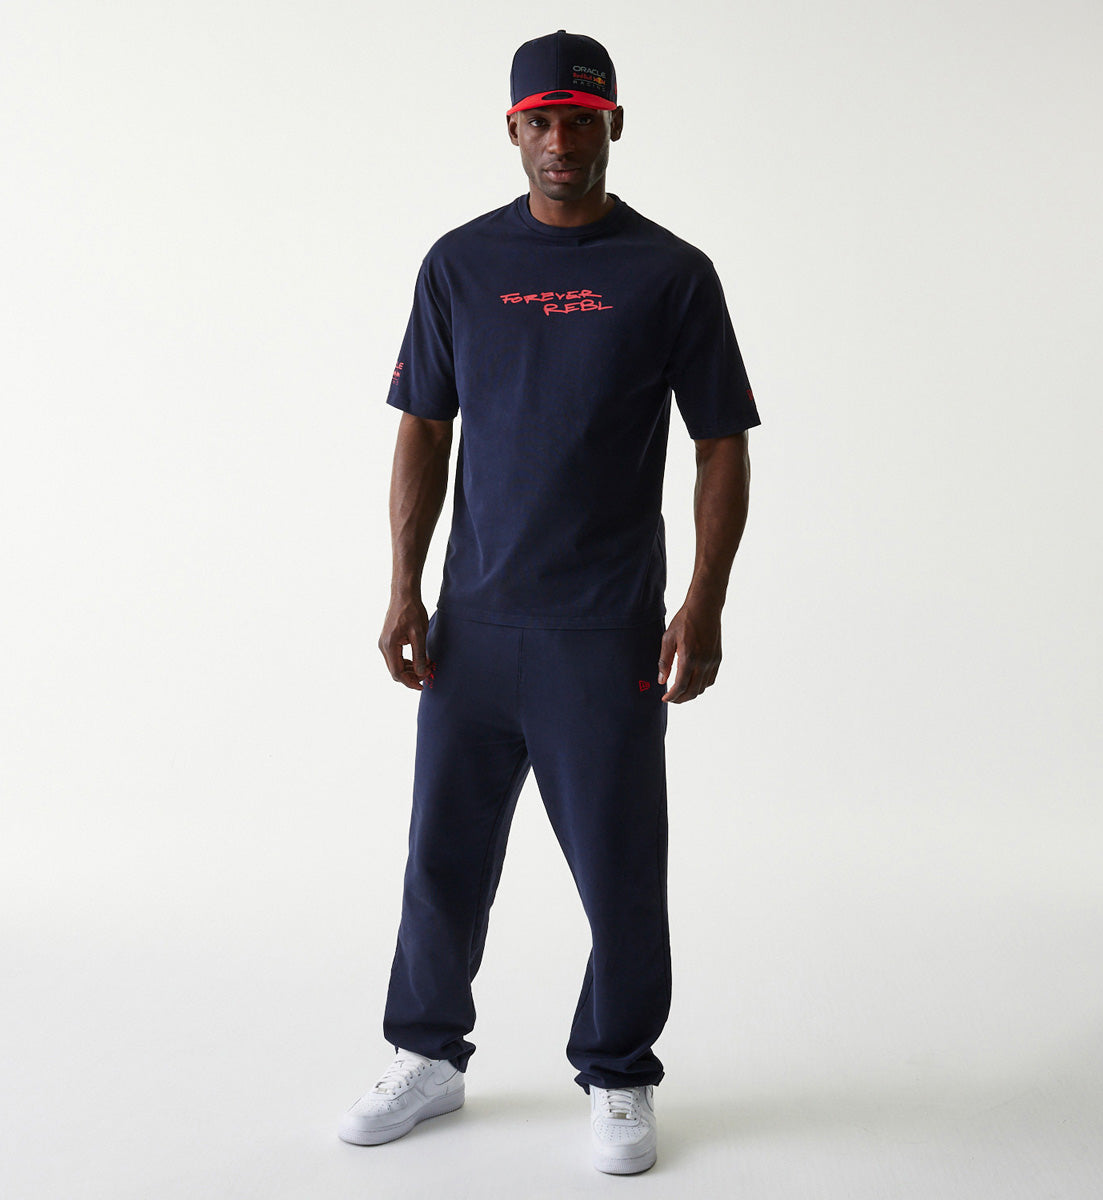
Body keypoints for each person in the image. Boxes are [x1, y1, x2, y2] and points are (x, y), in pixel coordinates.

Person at [338, 29, 761, 1175]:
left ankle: (619, 1073)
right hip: (474, 623)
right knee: (442, 857)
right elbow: (424, 427)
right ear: (513, 128)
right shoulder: (459, 265)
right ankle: (428, 1055)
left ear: (614, 123)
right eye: (541, 119)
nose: (561, 138)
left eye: (582, 118)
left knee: (619, 871)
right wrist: (404, 586)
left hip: (604, 630)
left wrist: (704, 601)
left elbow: (721, 443)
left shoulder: (670, 274)